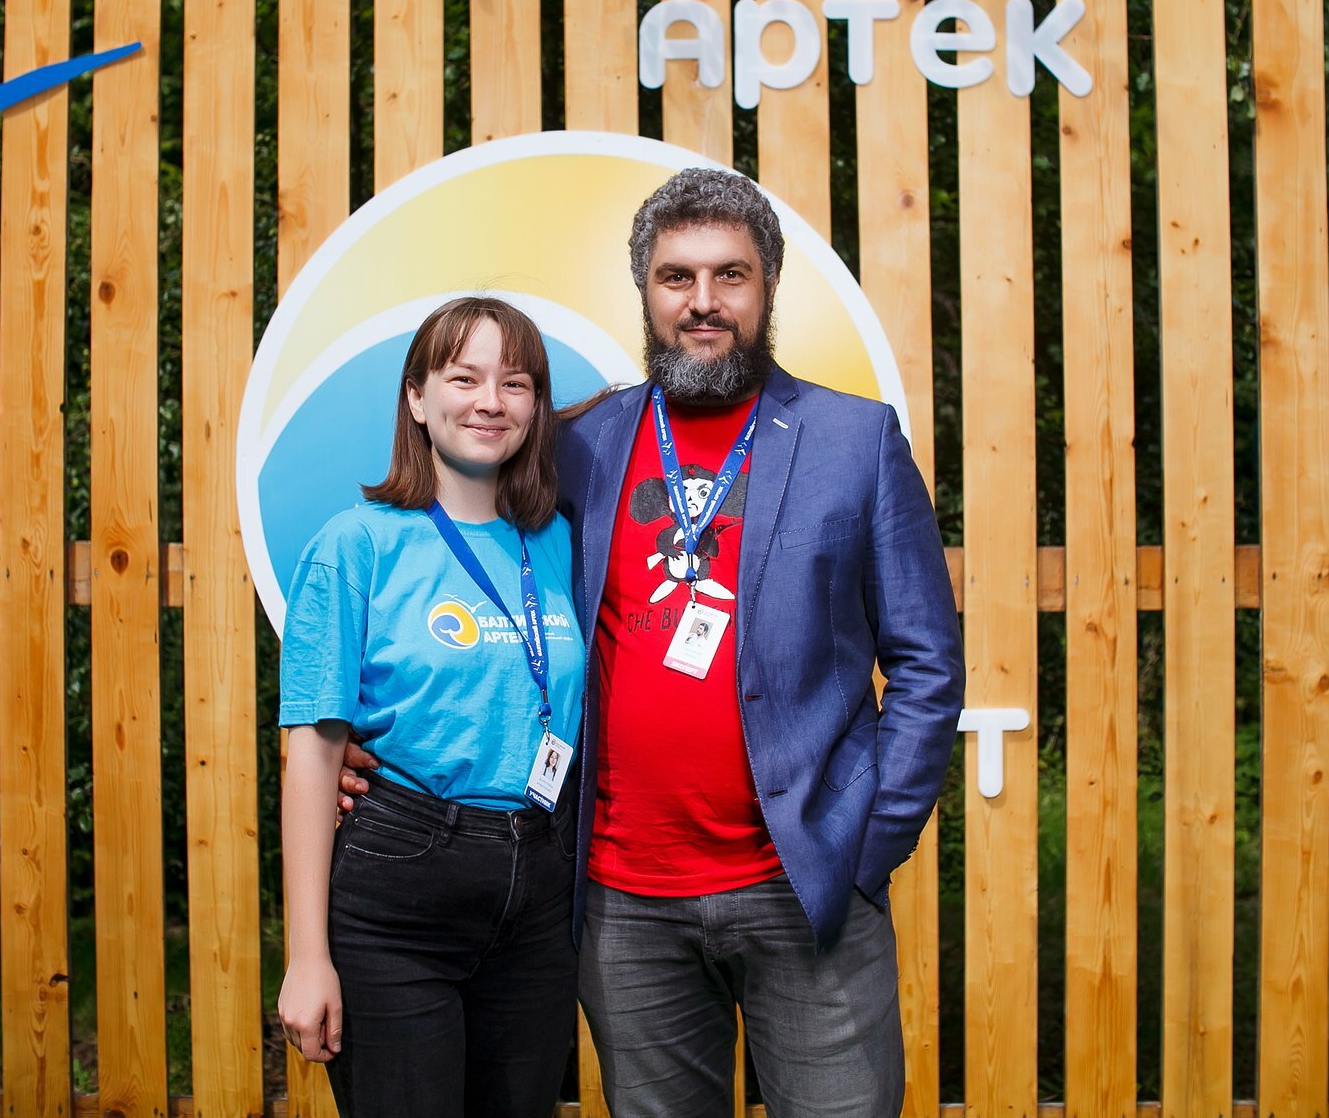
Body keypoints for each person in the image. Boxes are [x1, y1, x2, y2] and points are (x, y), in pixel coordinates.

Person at [346, 168, 964, 1117]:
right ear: (645, 289)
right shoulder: (579, 443)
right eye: (678, 277)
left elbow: (928, 661)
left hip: (806, 884)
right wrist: (360, 746)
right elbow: (462, 585)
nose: (702, 301)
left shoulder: (855, 440)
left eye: (730, 275)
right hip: (623, 899)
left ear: (768, 288)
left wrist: (867, 845)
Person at [277, 296, 586, 1118]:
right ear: (416, 397)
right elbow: (313, 755)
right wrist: (307, 957)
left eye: (515, 382)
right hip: (400, 894)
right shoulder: (357, 545)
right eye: (464, 378)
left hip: (540, 891)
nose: (491, 401)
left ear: (536, 406)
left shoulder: (562, 541)